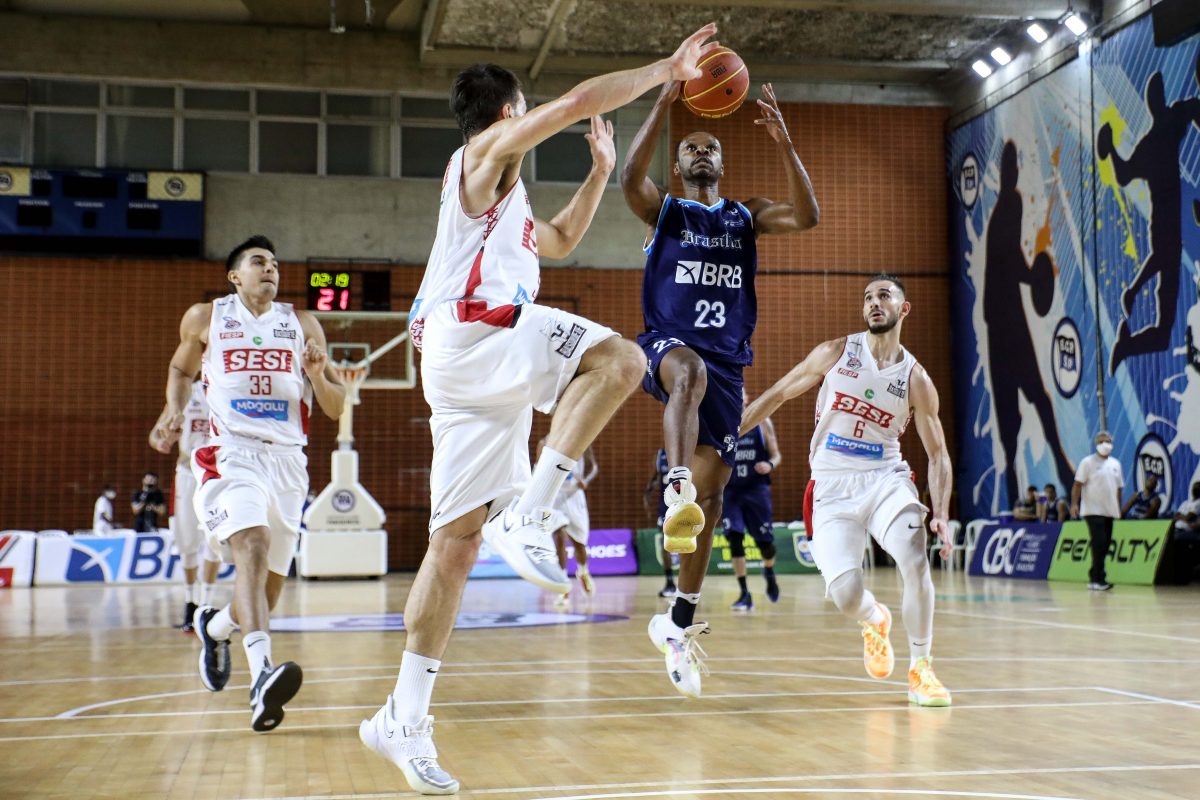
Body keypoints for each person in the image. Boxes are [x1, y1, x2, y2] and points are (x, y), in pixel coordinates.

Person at [358, 27, 721, 795]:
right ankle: (532, 512)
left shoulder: (509, 205)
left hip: (470, 371)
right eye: (525, 113)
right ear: (508, 113)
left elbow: (558, 238)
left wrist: (598, 174)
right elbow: (578, 101)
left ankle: (402, 717)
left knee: (454, 547)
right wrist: (668, 70)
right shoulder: (482, 156)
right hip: (475, 333)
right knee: (622, 361)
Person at [621, 79, 818, 697]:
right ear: (678, 164)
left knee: (710, 503)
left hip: (730, 366)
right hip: (668, 346)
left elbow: (808, 216)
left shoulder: (745, 215)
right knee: (689, 374)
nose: (701, 153)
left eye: (710, 148)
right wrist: (661, 104)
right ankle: (675, 483)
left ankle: (678, 622)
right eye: (691, 148)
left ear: (722, 164)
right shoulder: (665, 211)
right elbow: (629, 179)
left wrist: (785, 145)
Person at [150, 234, 345, 732]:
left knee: (265, 593)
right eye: (259, 261)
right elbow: (180, 369)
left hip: (288, 463)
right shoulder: (206, 317)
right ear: (235, 276)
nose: (270, 268)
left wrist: (317, 375)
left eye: (275, 263)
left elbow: (336, 406)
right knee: (251, 546)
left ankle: (215, 628)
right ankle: (261, 678)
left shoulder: (303, 323)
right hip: (231, 453)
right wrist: (174, 409)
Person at [742, 273, 954, 707]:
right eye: (868, 297)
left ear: (903, 309)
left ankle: (922, 668)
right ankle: (874, 619)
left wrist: (942, 514)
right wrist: (731, 434)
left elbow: (938, 455)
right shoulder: (836, 352)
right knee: (845, 596)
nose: (874, 302)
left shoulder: (915, 378)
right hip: (832, 485)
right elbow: (779, 393)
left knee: (915, 559)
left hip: (885, 478)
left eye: (884, 296)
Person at [155, 378, 223, 633]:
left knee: (214, 540)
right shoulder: (185, 393)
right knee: (187, 543)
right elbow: (155, 434)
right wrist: (163, 440)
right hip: (187, 473)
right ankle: (190, 602)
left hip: (217, 474)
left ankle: (206, 603)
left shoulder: (229, 385)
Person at [725, 389, 782, 611]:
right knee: (735, 538)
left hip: (756, 490)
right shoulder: (722, 422)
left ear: (746, 398)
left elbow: (776, 455)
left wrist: (770, 464)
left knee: (765, 545)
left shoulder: (762, 422)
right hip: (731, 492)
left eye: (740, 393)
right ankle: (744, 593)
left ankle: (769, 570)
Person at [544, 442, 598, 605]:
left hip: (575, 495)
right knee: (559, 537)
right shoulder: (546, 442)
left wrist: (586, 480)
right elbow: (537, 470)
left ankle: (583, 571)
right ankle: (563, 585)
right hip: (556, 495)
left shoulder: (582, 439)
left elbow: (593, 467)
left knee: (579, 544)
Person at [1070, 431, 1124, 591]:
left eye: (1107, 441)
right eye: (1101, 442)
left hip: (1109, 511)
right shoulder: (1087, 462)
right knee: (1099, 542)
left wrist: (1118, 508)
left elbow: (1119, 488)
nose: (1105, 444)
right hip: (1092, 510)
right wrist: (1074, 504)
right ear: (1096, 444)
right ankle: (1098, 579)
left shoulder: (1115, 464)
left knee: (1105, 545)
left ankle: (1095, 576)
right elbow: (1077, 484)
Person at [643, 447, 678, 598]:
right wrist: (647, 494)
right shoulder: (660, 455)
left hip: (684, 504)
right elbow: (654, 478)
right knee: (666, 544)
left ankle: (690, 583)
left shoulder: (688, 451)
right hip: (666, 507)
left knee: (689, 545)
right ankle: (670, 583)